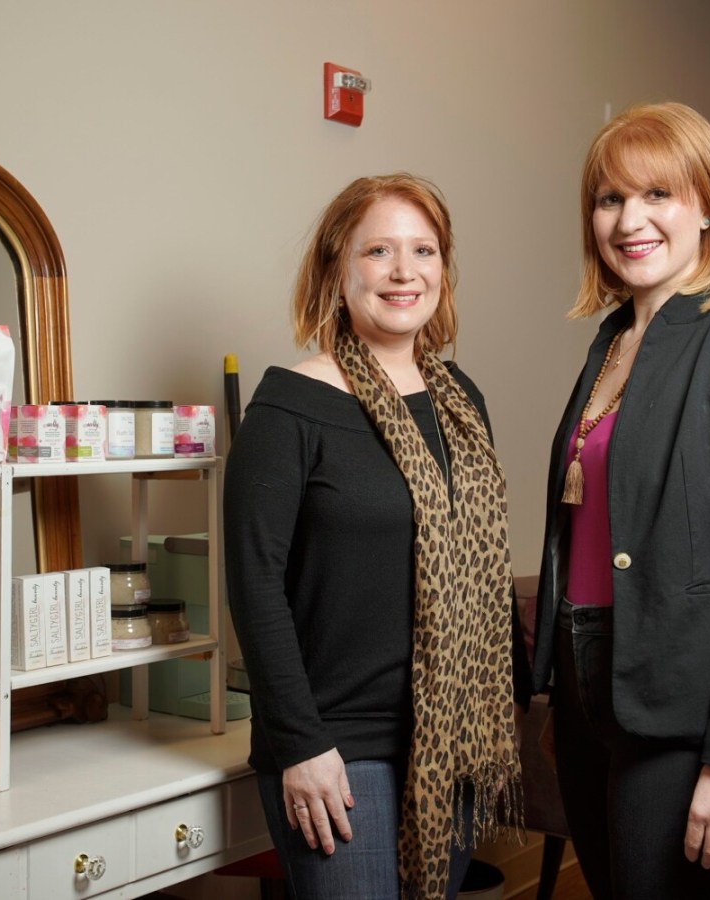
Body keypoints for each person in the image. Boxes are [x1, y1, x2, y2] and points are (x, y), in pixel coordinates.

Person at [531, 102, 710, 899]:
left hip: (695, 716)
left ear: (707, 208)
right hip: (593, 698)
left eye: (657, 193)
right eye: (610, 199)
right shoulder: (609, 346)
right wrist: (563, 694)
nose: (630, 220)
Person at [225, 173, 527, 900]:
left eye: (423, 250)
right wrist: (300, 744)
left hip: (452, 735)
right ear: (337, 269)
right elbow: (254, 584)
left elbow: (479, 568)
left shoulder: (461, 401)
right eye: (378, 251)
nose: (403, 271)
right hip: (338, 743)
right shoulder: (289, 408)